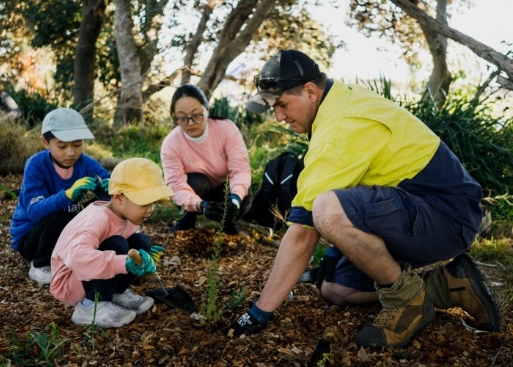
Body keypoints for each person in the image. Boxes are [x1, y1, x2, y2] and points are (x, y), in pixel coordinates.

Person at [224, 50, 500, 348]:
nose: (278, 117)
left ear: (310, 91)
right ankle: (448, 285)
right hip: (420, 208)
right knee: (337, 289)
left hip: (447, 215)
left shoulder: (341, 124)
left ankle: (408, 303)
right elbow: (355, 180)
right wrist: (333, 254)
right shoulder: (338, 100)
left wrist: (259, 311)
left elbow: (306, 231)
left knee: (326, 210)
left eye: (281, 104)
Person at [50, 158, 174, 328]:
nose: (150, 209)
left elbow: (132, 244)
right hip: (70, 279)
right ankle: (89, 306)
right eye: (144, 202)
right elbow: (77, 257)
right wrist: (124, 263)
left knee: (141, 241)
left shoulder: (128, 215)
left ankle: (115, 293)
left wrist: (143, 257)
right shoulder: (97, 219)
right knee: (117, 245)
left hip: (87, 275)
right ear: (118, 198)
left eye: (153, 202)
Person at [10, 107, 111, 285]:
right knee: (58, 214)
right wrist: (68, 195)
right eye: (62, 146)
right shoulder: (36, 165)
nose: (71, 153)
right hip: (32, 239)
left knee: (104, 206)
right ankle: (40, 265)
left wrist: (110, 188)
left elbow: (109, 181)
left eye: (77, 145)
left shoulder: (84, 162)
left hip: (66, 230)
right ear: (45, 142)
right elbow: (34, 212)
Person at [160, 84, 252, 235]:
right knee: (197, 181)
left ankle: (229, 222)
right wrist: (200, 205)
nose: (190, 123)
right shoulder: (171, 143)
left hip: (224, 189)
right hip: (197, 191)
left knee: (245, 195)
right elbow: (176, 185)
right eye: (182, 118)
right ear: (175, 117)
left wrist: (234, 198)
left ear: (206, 109)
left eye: (196, 115)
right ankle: (187, 218)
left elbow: (240, 169)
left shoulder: (226, 129)